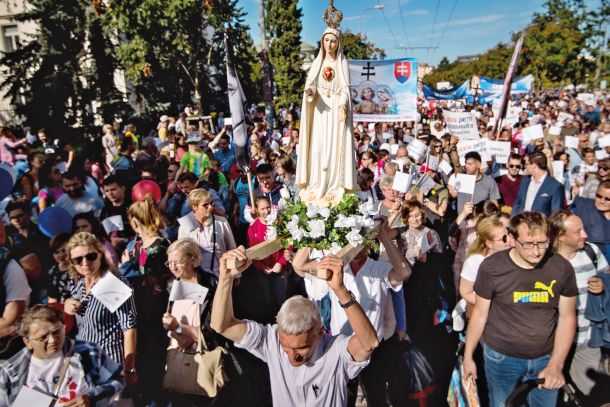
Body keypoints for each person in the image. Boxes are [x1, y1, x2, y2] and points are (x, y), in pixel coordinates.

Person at [211, 247, 379, 407]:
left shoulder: (336, 351)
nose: (293, 356)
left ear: (320, 332)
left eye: (302, 347)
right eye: (285, 346)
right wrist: (225, 279)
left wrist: (340, 290)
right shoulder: (271, 340)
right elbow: (222, 325)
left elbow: (369, 343)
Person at [463, 211, 578, 407]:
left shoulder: (562, 268)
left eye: (542, 243)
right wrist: (468, 356)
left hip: (545, 359)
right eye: (528, 244)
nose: (536, 251)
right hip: (501, 359)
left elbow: (567, 318)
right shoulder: (492, 267)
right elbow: (480, 314)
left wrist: (556, 365)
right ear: (513, 238)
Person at [0, 305, 124, 406]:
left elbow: (119, 378)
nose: (53, 340)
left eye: (57, 332)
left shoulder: (88, 352)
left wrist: (92, 399)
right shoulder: (10, 372)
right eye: (43, 337)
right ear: (28, 342)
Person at [549, 210, 609, 397]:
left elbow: (607, 276)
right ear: (560, 236)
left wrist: (603, 284)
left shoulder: (592, 252)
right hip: (551, 343)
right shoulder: (545, 261)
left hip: (587, 339)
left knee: (593, 396)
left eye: (583, 229)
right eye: (578, 231)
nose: (585, 234)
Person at [63, 232, 137, 383]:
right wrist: (67, 304)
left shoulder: (112, 284)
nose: (85, 263)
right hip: (84, 360)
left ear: (100, 255)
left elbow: (129, 329)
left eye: (90, 256)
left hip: (109, 362)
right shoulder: (77, 283)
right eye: (78, 259)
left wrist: (129, 369)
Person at [296, 26, 357, 203]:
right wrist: (309, 92)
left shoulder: (341, 63)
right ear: (322, 42)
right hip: (319, 112)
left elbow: (345, 89)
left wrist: (342, 105)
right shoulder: (317, 63)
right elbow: (310, 87)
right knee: (318, 148)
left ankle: (332, 186)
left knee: (334, 147)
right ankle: (315, 185)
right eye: (327, 40)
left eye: (333, 41)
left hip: (335, 111)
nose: (330, 44)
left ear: (338, 43)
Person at [161, 238, 221, 406]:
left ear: (193, 259)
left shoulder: (210, 285)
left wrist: (178, 328)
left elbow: (212, 331)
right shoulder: (172, 285)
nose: (172, 267)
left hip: (203, 358)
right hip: (178, 358)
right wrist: (175, 329)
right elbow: (176, 331)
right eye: (169, 263)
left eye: (177, 262)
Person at [125, 196, 170, 405]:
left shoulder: (159, 246)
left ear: (135, 221)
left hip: (154, 308)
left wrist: (127, 270)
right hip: (139, 308)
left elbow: (153, 282)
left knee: (154, 352)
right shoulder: (138, 246)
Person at [180, 189, 236, 276]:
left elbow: (232, 248)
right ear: (194, 207)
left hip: (222, 274)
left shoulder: (221, 222)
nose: (210, 207)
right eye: (205, 205)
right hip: (199, 278)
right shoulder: (185, 225)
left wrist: (235, 273)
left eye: (211, 203)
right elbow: (182, 255)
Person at [459, 215, 512, 306]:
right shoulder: (474, 262)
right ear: (489, 244)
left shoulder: (513, 256)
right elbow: (465, 292)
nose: (509, 240)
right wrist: (492, 305)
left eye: (508, 234)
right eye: (503, 238)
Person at [512, 151, 565, 216]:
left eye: (526, 163)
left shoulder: (555, 186)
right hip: (521, 222)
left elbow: (556, 213)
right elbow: (518, 203)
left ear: (534, 166)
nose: (524, 166)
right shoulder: (525, 180)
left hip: (539, 224)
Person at [571, 180, 610, 262]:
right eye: (599, 196)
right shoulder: (582, 208)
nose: (602, 201)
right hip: (590, 263)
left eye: (607, 199)